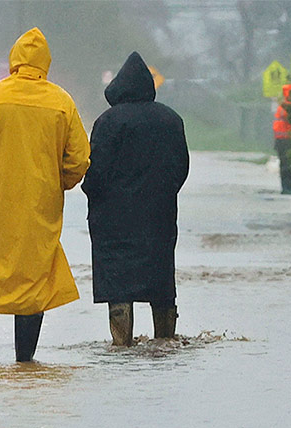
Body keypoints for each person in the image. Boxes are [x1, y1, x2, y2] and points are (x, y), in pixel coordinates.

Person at [0, 27, 90, 364]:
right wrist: (56, 183)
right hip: (38, 211)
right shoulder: (62, 102)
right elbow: (78, 160)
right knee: (32, 283)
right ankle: (25, 362)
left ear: (14, 60)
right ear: (46, 62)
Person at [82, 51, 189, 346]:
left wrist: (94, 194)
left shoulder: (108, 122)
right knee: (161, 283)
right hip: (159, 219)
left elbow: (95, 173)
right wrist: (162, 195)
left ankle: (121, 346)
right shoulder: (171, 120)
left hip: (114, 223)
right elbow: (181, 168)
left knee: (118, 287)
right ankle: (165, 340)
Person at [273, 83, 291, 195]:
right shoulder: (287, 107)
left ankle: (288, 187)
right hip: (285, 140)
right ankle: (287, 188)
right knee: (287, 165)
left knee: (289, 164)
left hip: (284, 139)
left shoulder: (285, 106)